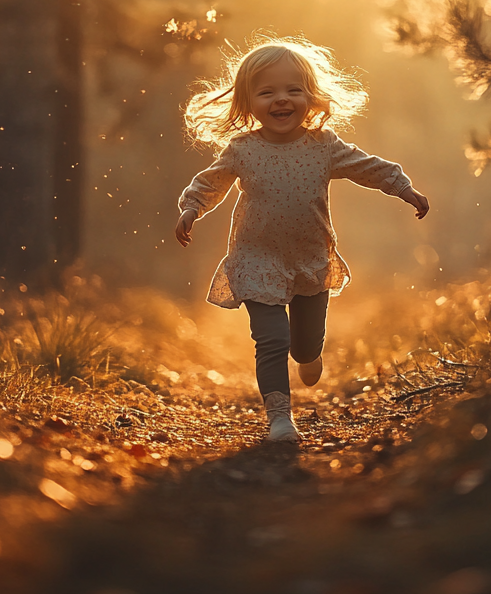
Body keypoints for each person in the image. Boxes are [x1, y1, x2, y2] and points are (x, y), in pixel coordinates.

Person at [174, 36, 429, 442]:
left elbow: (369, 167)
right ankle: (279, 418)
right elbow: (210, 183)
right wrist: (191, 209)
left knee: (305, 345)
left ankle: (309, 356)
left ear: (311, 97)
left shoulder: (323, 146)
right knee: (271, 339)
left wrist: (403, 188)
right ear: (247, 102)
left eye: (294, 90)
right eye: (267, 91)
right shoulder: (242, 149)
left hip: (311, 258)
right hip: (257, 259)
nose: (282, 99)